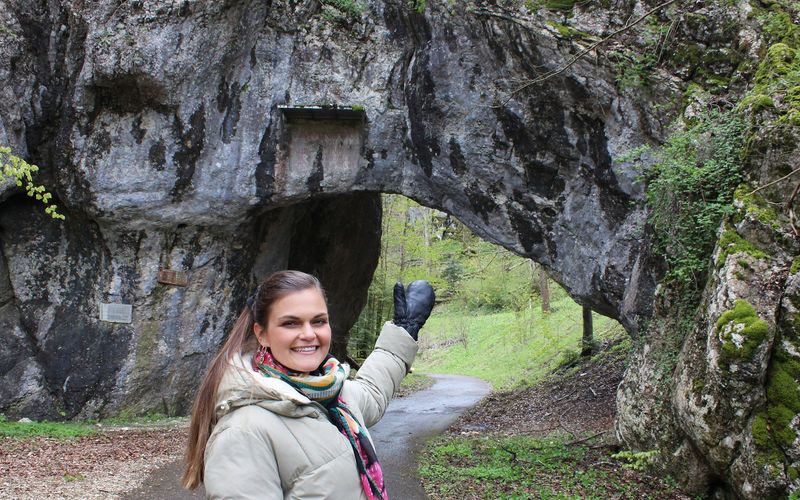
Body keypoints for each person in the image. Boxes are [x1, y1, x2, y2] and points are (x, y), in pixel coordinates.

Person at [182, 270, 435, 499]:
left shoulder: (330, 391)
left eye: (318, 321)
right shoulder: (244, 431)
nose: (309, 334)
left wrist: (405, 330)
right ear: (262, 334)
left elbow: (371, 392)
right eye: (290, 323)